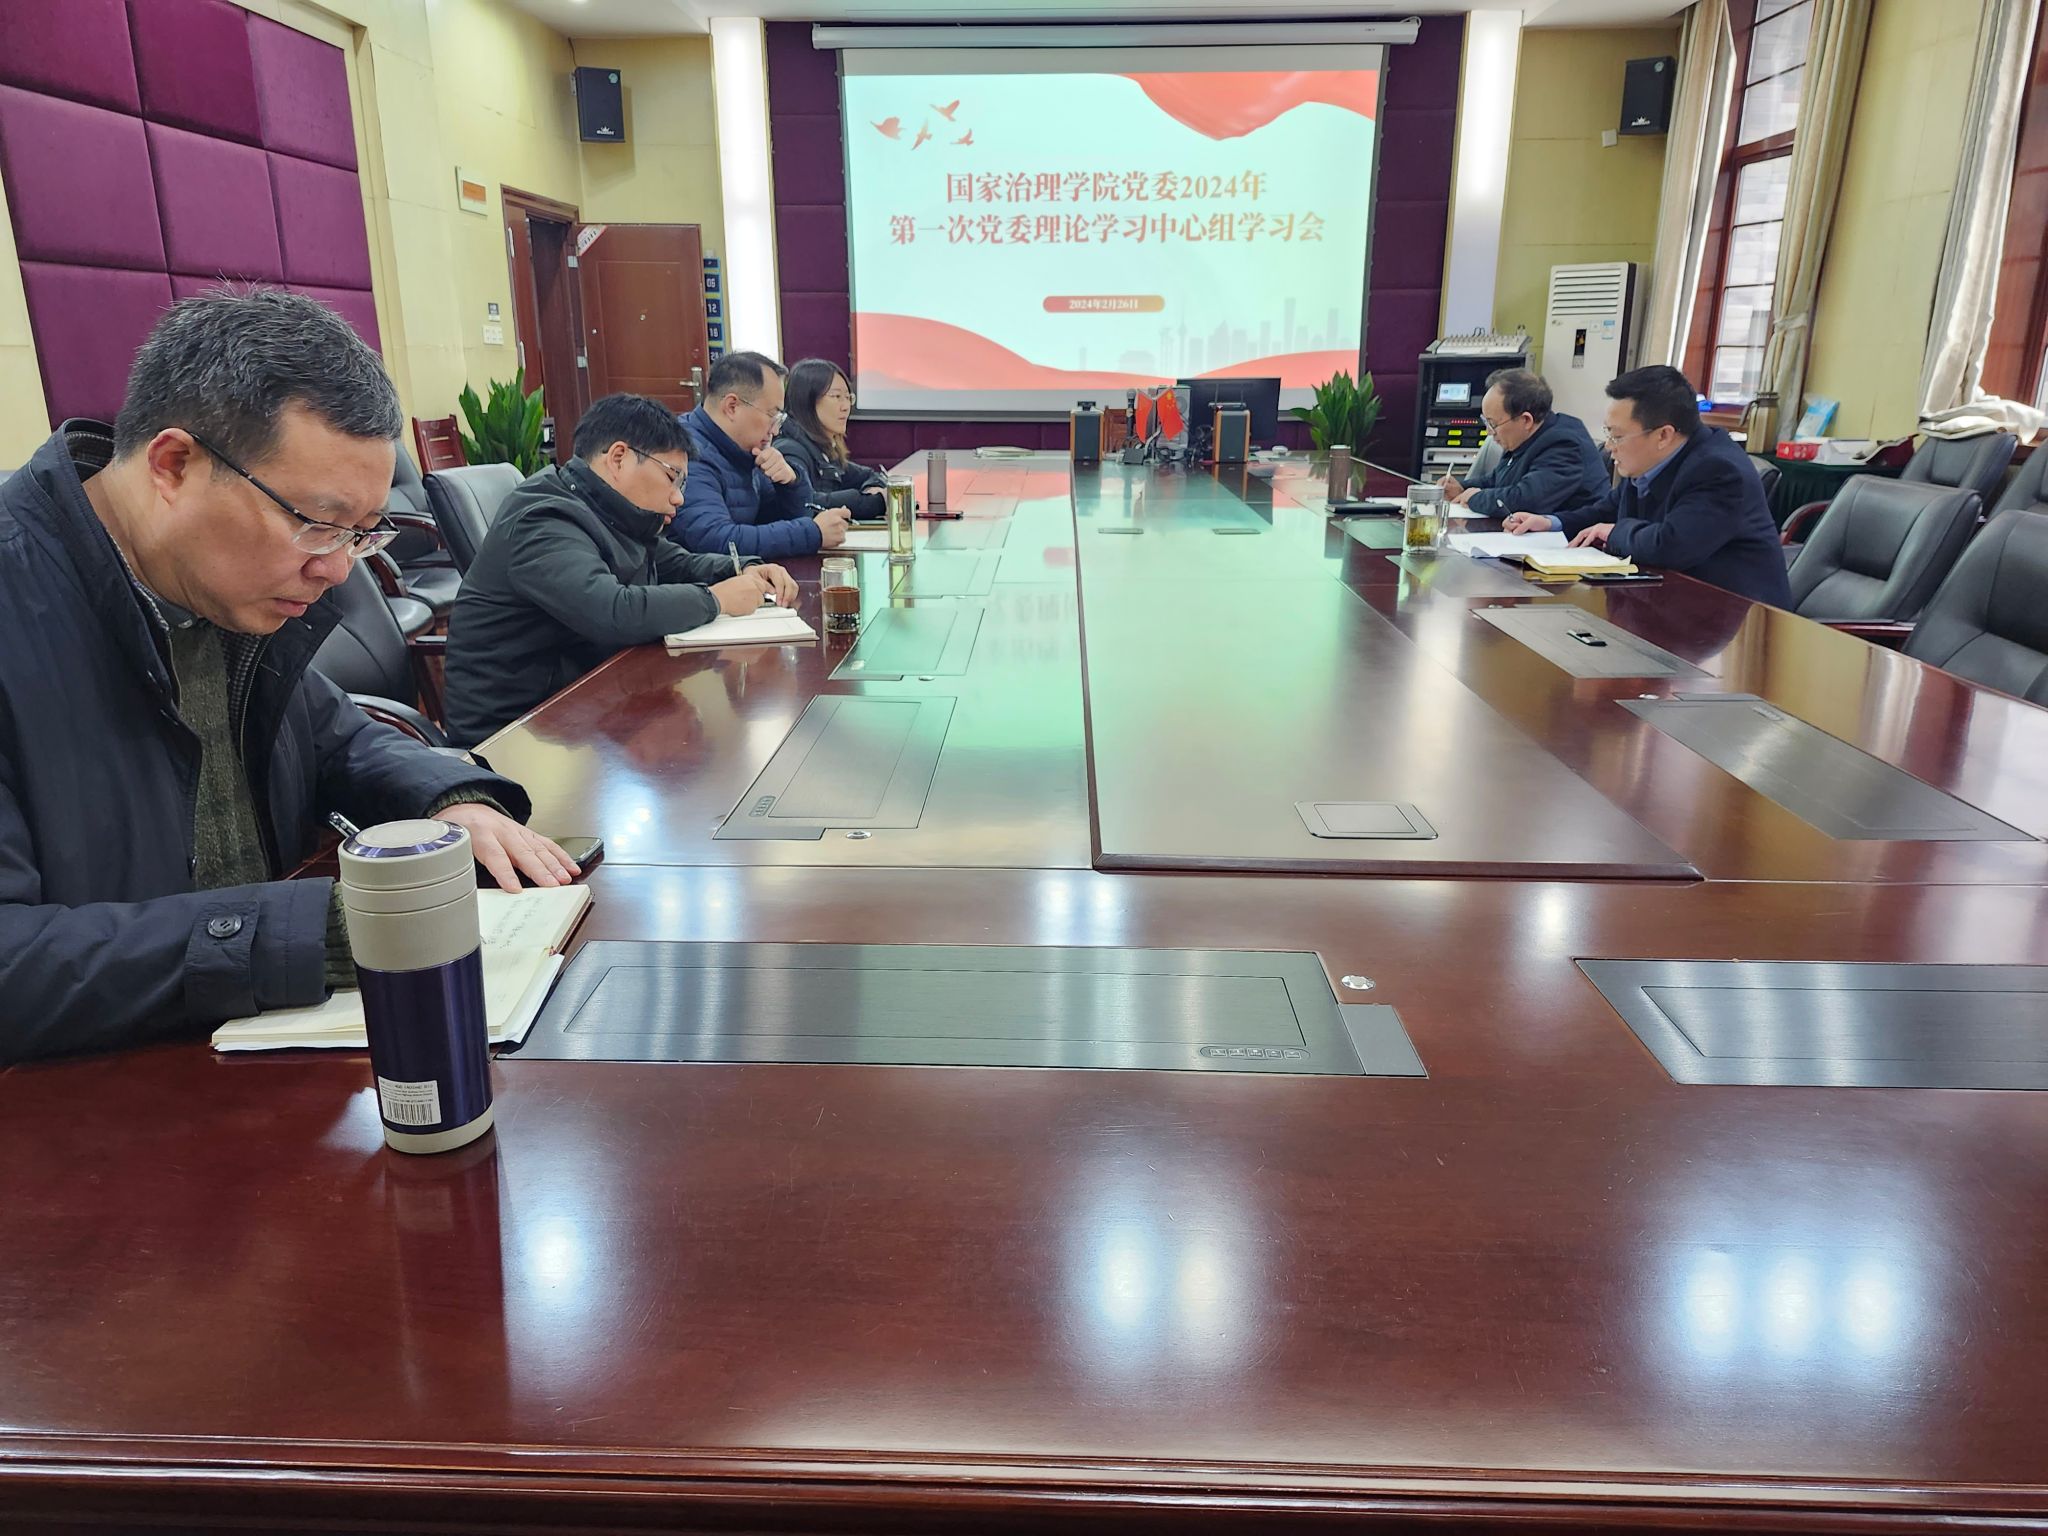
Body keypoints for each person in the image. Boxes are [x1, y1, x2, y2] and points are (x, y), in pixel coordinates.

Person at [0, 288, 577, 1064]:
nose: (337, 569)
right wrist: (306, 933)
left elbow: (338, 737)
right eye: (315, 522)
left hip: (244, 1044)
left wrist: (450, 801)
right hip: (84, 1096)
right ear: (174, 465)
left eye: (360, 533)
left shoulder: (218, 588)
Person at [443, 394, 799, 746]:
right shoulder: (544, 519)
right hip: (513, 735)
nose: (678, 497)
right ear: (618, 458)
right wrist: (715, 600)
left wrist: (743, 568)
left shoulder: (605, 508)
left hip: (578, 706)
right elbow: (611, 611)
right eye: (672, 477)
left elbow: (677, 563)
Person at [1507, 365, 1792, 608]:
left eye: (1617, 436)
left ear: (1663, 435)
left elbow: (1672, 545)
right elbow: (1606, 511)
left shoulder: (1719, 470)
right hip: (1667, 601)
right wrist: (1550, 523)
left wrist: (1615, 531)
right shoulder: (1651, 459)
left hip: (1735, 617)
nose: (1609, 446)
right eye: (1608, 433)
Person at [671, 352, 849, 558]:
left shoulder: (744, 449)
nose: (776, 430)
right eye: (772, 415)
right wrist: (812, 533)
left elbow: (777, 520)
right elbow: (716, 540)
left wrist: (790, 483)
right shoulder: (687, 452)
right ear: (732, 407)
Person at [1439, 368, 1609, 524]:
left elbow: (1527, 500)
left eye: (1492, 424)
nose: (1489, 432)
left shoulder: (1564, 444)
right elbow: (1497, 480)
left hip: (1570, 541)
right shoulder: (1526, 437)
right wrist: (1462, 488)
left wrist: (1474, 498)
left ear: (1526, 420)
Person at [775, 359, 887, 519]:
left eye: (848, 397)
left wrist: (872, 489)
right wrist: (872, 502)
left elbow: (869, 475)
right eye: (836, 396)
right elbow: (805, 503)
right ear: (806, 399)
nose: (846, 406)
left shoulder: (822, 448)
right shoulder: (790, 450)